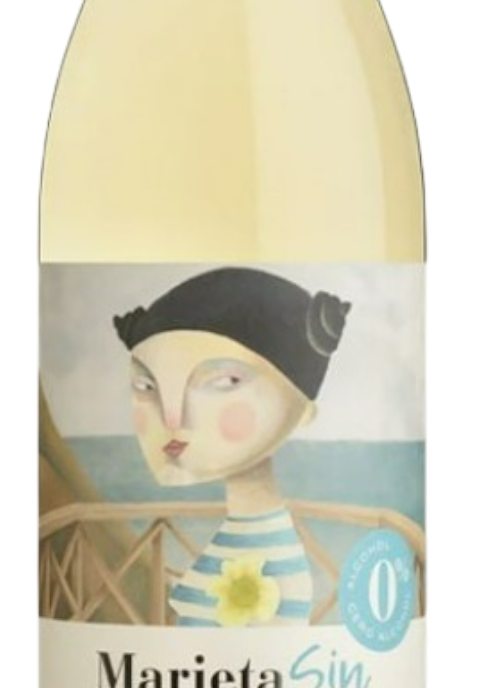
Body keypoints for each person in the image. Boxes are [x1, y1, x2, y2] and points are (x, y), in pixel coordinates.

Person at [114, 267, 349, 628]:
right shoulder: (244, 537)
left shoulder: (270, 560)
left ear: (302, 410)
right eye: (147, 387)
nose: (172, 418)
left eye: (224, 381)